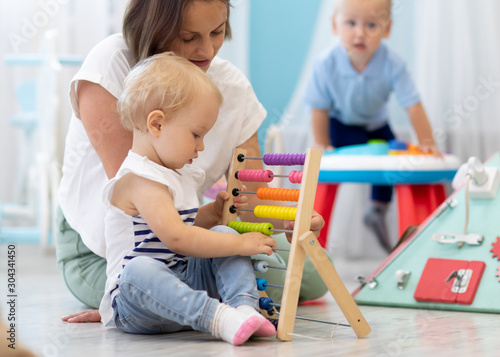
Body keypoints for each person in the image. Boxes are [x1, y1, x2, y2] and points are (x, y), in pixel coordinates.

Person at [57, 0, 327, 323]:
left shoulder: (232, 88)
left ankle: (228, 308)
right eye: (188, 37)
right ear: (155, 27)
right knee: (148, 276)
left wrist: (282, 220)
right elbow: (148, 218)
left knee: (310, 276)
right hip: (112, 249)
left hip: (185, 239)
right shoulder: (112, 63)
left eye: (216, 32)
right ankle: (203, 311)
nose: (207, 51)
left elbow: (250, 201)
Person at [99, 52, 277, 345]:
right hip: (138, 305)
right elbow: (178, 238)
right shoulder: (139, 179)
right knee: (139, 269)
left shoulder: (175, 173)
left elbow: (188, 222)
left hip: (180, 289)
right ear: (156, 124)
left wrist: (214, 213)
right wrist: (242, 242)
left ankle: (244, 309)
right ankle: (219, 319)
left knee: (221, 231)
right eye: (196, 134)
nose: (202, 145)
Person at [303, 0, 440, 252]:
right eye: (351, 23)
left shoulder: (393, 64)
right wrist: (321, 142)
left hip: (377, 125)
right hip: (341, 124)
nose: (360, 33)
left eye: (371, 25)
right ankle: (315, 231)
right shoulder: (325, 63)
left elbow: (413, 104)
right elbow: (318, 108)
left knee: (391, 160)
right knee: (334, 163)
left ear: (387, 29)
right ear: (335, 25)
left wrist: (427, 141)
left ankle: (378, 209)